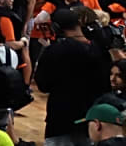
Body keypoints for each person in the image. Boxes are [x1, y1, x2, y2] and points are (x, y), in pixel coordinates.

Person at [35, 8, 110, 146]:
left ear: (56, 27)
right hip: (91, 118)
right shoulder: (99, 50)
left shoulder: (54, 50)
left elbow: (43, 85)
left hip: (60, 118)